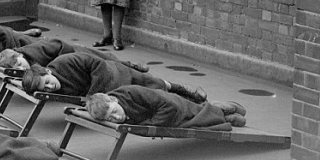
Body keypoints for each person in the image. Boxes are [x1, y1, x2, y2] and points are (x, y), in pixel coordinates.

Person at [20, 52, 206, 103]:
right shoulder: (58, 89)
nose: (50, 87)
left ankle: (182, 89)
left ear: (48, 72)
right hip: (110, 90)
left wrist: (92, 95)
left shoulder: (65, 62)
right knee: (151, 95)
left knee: (152, 83)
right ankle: (185, 102)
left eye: (47, 82)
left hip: (114, 73)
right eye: (45, 89)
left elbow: (97, 64)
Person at [85, 85, 247, 129]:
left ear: (114, 99)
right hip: (159, 115)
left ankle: (222, 110)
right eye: (110, 118)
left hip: (171, 105)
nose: (117, 117)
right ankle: (222, 114)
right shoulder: (112, 106)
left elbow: (169, 107)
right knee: (194, 121)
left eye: (114, 111)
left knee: (196, 117)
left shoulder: (132, 93)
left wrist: (148, 125)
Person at [0, 39, 148, 73]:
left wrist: (64, 61)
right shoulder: (27, 63)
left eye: (19, 64)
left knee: (105, 59)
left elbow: (58, 44)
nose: (22, 68)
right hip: (70, 62)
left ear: (20, 55)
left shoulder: (37, 51)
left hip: (73, 52)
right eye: (17, 68)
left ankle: (131, 66)